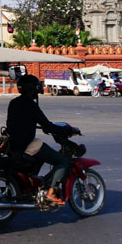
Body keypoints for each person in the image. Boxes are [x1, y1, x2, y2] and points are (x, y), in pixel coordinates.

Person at [6, 74, 72, 204]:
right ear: (32, 89)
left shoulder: (14, 103)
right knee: (62, 161)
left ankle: (35, 183)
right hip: (27, 145)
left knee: (42, 152)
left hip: (14, 144)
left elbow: (21, 122)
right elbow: (47, 125)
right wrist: (67, 130)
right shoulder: (30, 105)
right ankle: (51, 193)